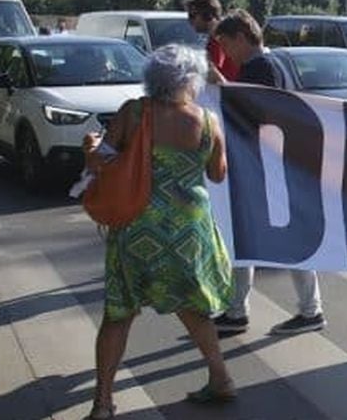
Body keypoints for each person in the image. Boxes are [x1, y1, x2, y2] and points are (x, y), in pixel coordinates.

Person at [81, 44, 236, 417]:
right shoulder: (208, 121)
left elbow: (103, 160)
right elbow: (217, 173)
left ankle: (102, 402)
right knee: (191, 306)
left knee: (119, 313)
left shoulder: (135, 113)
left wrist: (92, 147)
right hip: (187, 231)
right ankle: (221, 378)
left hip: (136, 226)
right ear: (191, 79)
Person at [210, 10, 328, 337]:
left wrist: (219, 82)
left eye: (227, 45)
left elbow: (248, 110)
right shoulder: (275, 63)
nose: (226, 54)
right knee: (257, 236)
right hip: (275, 165)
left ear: (240, 38)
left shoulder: (258, 67)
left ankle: (295, 310)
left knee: (249, 235)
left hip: (264, 167)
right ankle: (246, 309)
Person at [185, 0, 238, 83]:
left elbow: (213, 76)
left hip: (233, 93)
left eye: (192, 15)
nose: (189, 20)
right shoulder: (216, 38)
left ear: (207, 15)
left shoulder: (221, 39)